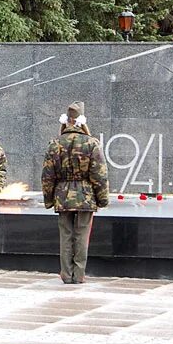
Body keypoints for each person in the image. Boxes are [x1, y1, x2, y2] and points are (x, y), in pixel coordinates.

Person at [41, 102, 109, 284]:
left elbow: (48, 175)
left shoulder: (55, 144)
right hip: (86, 196)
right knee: (81, 235)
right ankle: (79, 275)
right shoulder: (91, 143)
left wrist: (48, 200)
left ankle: (65, 273)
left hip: (62, 196)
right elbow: (99, 175)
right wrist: (102, 199)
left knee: (66, 235)